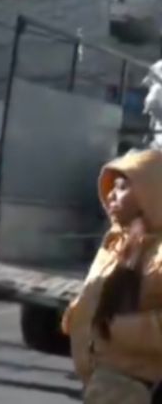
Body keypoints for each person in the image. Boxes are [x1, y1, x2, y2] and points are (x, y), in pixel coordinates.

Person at [62, 149, 162, 404]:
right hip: (102, 384)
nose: (110, 195)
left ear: (149, 193)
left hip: (135, 388)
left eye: (122, 188)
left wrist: (115, 329)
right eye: (111, 188)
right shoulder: (117, 243)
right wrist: (78, 314)